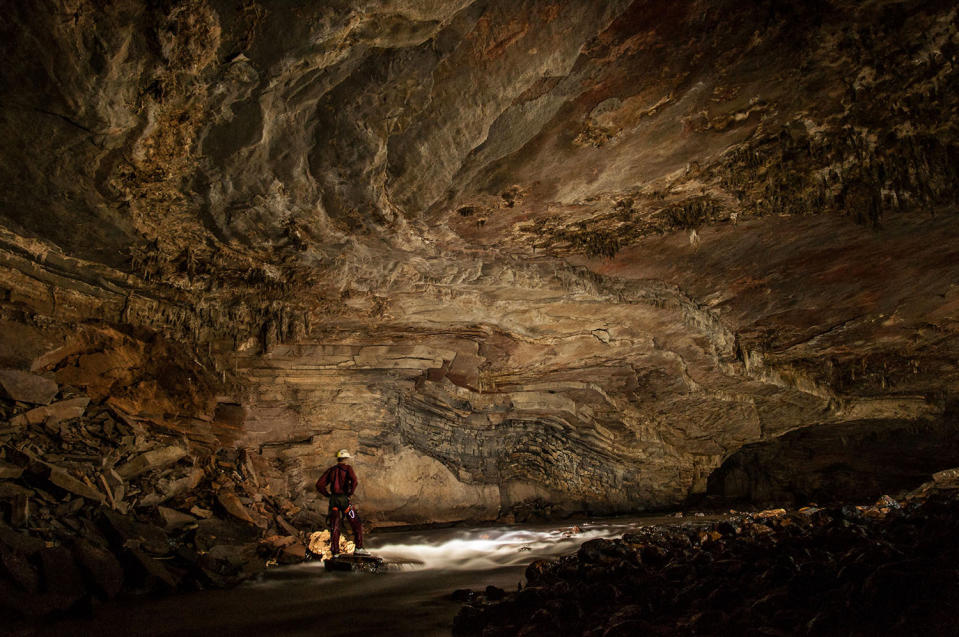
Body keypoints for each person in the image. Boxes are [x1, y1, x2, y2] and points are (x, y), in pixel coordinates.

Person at [315, 449, 368, 557]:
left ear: (338, 458)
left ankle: (335, 552)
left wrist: (327, 495)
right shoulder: (347, 469)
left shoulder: (331, 470)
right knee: (355, 522)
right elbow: (355, 481)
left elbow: (319, 485)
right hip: (343, 499)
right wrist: (350, 493)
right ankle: (359, 548)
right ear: (346, 459)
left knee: (335, 524)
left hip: (334, 499)